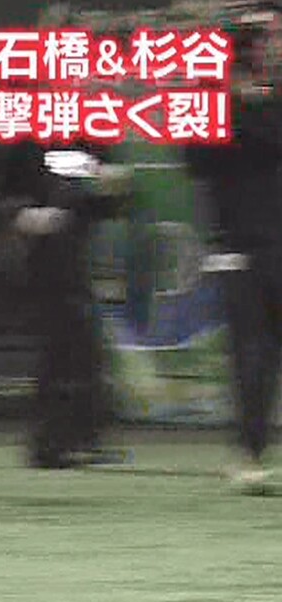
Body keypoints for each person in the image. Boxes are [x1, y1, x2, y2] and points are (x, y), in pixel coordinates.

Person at [183, 0, 282, 493]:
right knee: (252, 350)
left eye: (274, 37)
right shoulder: (216, 97)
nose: (272, 47)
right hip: (241, 243)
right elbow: (195, 159)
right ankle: (249, 452)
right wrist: (229, 98)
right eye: (263, 38)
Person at [0, 139, 132, 469]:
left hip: (74, 258)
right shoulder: (21, 139)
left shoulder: (91, 137)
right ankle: (50, 443)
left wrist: (114, 190)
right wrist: (24, 215)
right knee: (58, 350)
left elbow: (98, 203)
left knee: (85, 350)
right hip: (35, 260)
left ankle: (82, 438)